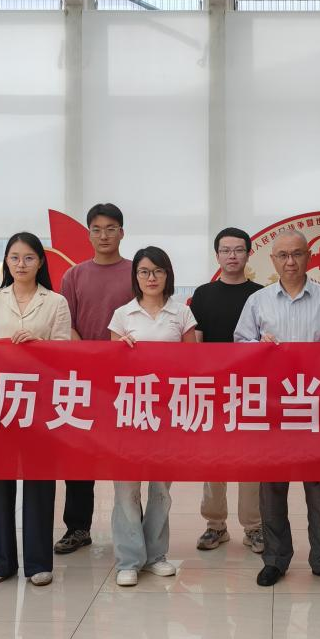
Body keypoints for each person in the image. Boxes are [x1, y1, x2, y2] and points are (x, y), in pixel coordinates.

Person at [234, 229, 320, 588]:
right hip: (272, 407)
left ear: (309, 257)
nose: (290, 262)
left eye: (297, 254)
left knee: (318, 488)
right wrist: (259, 345)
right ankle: (275, 558)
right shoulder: (258, 301)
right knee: (272, 487)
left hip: (313, 406)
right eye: (283, 255)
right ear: (272, 260)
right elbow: (239, 345)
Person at [0, 233, 73, 585]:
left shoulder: (56, 302)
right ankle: (2, 560)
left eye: (29, 258)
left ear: (40, 262)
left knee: (39, 482)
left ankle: (38, 562)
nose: (21, 264)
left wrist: (39, 344)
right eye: (14, 257)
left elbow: (65, 353)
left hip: (41, 403)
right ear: (6, 261)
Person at [108, 246, 198, 586]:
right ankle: (129, 560)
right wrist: (121, 351)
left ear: (167, 275)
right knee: (126, 488)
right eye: (144, 271)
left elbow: (193, 363)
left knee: (161, 488)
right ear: (136, 276)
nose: (151, 277)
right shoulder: (122, 315)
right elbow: (108, 367)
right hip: (131, 410)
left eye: (158, 271)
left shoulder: (182, 313)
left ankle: (156, 555)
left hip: (168, 411)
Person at [54, 203, 134, 555]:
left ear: (122, 232)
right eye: (97, 229)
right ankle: (77, 527)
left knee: (126, 455)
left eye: (111, 228)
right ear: (88, 234)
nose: (104, 235)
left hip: (126, 378)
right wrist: (89, 357)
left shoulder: (135, 272)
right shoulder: (74, 275)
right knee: (79, 454)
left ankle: (131, 527)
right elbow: (66, 323)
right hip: (83, 377)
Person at [189, 227, 264, 554]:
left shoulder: (261, 295)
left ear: (248, 254)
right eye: (225, 250)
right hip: (213, 388)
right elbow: (197, 342)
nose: (232, 256)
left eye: (238, 250)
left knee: (251, 461)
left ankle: (254, 527)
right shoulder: (203, 294)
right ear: (217, 255)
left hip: (251, 388)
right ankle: (215, 525)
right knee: (213, 459)